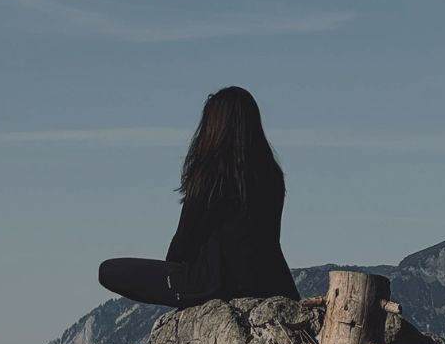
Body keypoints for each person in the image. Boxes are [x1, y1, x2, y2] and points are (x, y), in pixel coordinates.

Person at [98, 86, 300, 309]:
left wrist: (174, 274)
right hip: (273, 282)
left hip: (214, 283)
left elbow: (185, 239)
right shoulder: (272, 175)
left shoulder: (212, 174)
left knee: (108, 271)